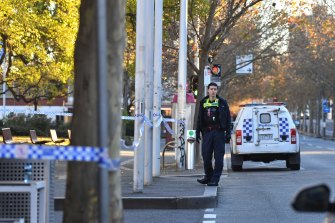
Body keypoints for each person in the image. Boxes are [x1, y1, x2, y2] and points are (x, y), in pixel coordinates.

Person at [196, 82, 231, 186]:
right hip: (207, 133)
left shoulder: (222, 102)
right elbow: (199, 119)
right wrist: (197, 133)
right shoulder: (203, 102)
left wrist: (228, 133)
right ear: (208, 90)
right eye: (211, 89)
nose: (213, 91)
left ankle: (215, 179)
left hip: (219, 133)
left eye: (215, 89)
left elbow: (228, 119)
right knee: (206, 156)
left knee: (219, 157)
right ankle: (208, 176)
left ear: (217, 90)